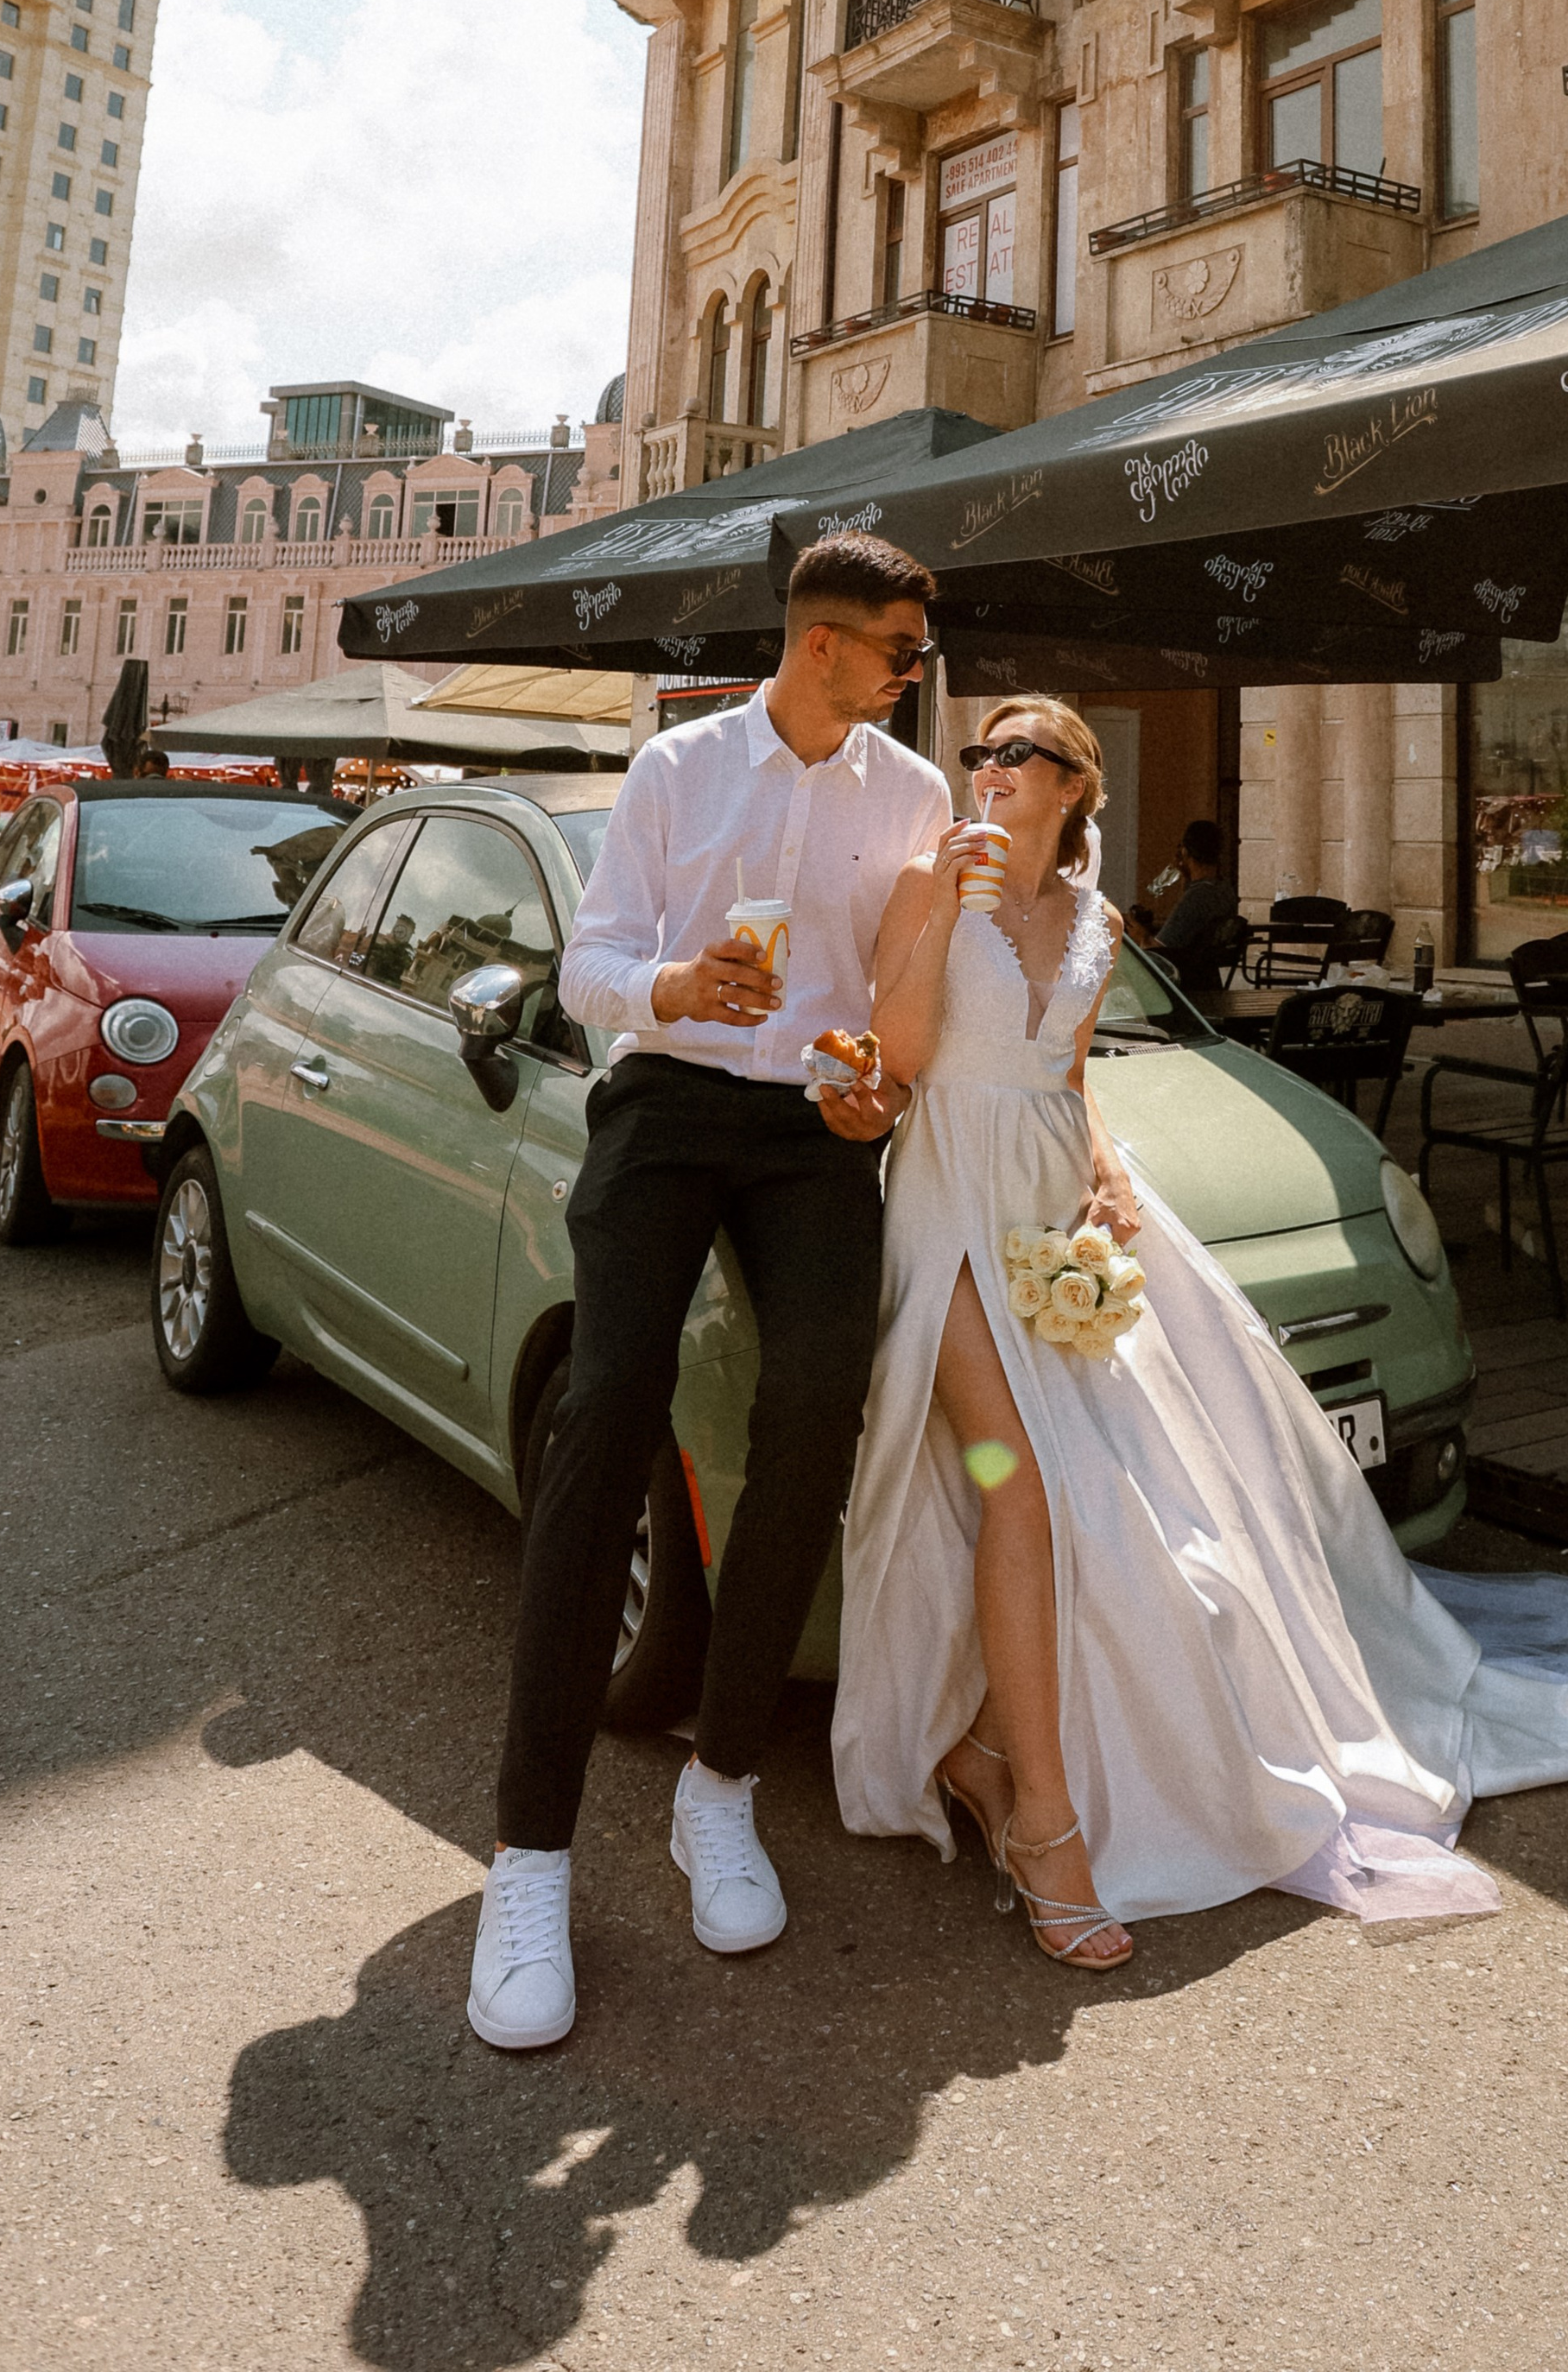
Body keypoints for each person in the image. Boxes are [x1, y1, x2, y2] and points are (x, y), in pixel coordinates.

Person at [832, 693, 1568, 1967]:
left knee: (1155, 1510)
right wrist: (943, 897)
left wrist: (1106, 1173)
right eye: (977, 754)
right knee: (1028, 1489)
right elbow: (901, 1054)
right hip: (946, 1201)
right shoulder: (926, 878)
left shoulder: (1102, 924)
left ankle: (991, 1754)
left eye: (1015, 755)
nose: (986, 771)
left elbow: (1067, 1076)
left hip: (1057, 1207)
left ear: (1074, 787)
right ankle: (1046, 1828)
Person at [467, 533, 951, 2053]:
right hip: (669, 1103)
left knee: (823, 1397)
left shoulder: (916, 797)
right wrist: (676, 989)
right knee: (608, 1404)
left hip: (812, 1130)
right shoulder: (678, 771)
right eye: (899, 651)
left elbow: (892, 1003)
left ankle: (721, 1786)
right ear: (822, 647)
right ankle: (528, 1857)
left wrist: (882, 1084)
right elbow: (585, 971)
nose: (911, 674)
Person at [1128, 818, 1236, 1000]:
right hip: (1206, 977)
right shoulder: (1224, 891)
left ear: (1185, 851)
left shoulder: (1197, 897)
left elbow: (1158, 952)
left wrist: (1140, 935)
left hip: (1183, 984)